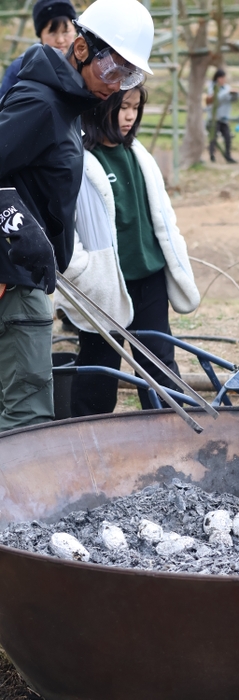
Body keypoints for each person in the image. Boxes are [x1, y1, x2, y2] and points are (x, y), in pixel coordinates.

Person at [0, 0, 154, 432]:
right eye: (113, 71)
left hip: (26, 275)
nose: (119, 85)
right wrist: (17, 225)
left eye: (130, 76)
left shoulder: (68, 106)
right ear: (82, 49)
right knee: (27, 417)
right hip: (13, 278)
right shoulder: (42, 103)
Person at [55, 85, 200, 416]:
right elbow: (63, 223)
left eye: (135, 107)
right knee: (99, 365)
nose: (130, 116)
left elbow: (161, 212)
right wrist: (82, 272)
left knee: (159, 361)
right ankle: (88, 435)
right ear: (98, 108)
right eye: (123, 108)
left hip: (149, 277)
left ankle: (169, 427)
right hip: (104, 285)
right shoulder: (79, 160)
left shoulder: (138, 154)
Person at [0, 0, 77, 98]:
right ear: (40, 35)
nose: (60, 40)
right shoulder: (21, 67)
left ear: (75, 30)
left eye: (66, 32)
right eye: (52, 33)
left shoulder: (84, 64)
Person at [206, 68, 238, 164]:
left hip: (224, 117)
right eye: (221, 78)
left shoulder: (227, 88)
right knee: (213, 138)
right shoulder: (212, 87)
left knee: (227, 137)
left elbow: (231, 100)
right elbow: (216, 99)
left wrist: (234, 95)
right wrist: (226, 93)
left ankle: (228, 156)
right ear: (217, 78)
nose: (223, 80)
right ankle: (212, 155)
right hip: (214, 117)